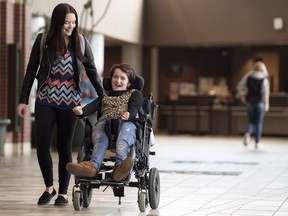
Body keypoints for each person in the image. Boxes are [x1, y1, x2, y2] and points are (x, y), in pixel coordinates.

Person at [17, 3, 103, 206]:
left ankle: (63, 192)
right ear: (57, 22)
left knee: (64, 147)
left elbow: (92, 70)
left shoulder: (80, 42)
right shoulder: (43, 41)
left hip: (70, 103)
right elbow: (31, 71)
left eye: (73, 22)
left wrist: (103, 96)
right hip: (45, 100)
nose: (70, 26)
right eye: (66, 22)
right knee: (43, 145)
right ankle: (49, 188)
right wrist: (23, 100)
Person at [66, 63, 144, 182]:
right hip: (105, 122)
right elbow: (92, 106)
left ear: (129, 83)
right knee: (99, 138)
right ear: (110, 79)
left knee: (124, 138)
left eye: (123, 78)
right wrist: (82, 111)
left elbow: (134, 106)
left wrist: (129, 114)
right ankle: (93, 166)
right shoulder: (104, 95)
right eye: (115, 77)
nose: (118, 80)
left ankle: (120, 167)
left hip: (125, 122)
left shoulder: (134, 93)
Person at [236, 60, 270, 149]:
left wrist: (243, 98)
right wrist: (267, 104)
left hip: (249, 102)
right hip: (259, 102)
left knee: (251, 121)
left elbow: (240, 87)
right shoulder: (264, 79)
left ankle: (248, 133)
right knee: (258, 123)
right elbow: (265, 93)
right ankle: (257, 142)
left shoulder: (248, 77)